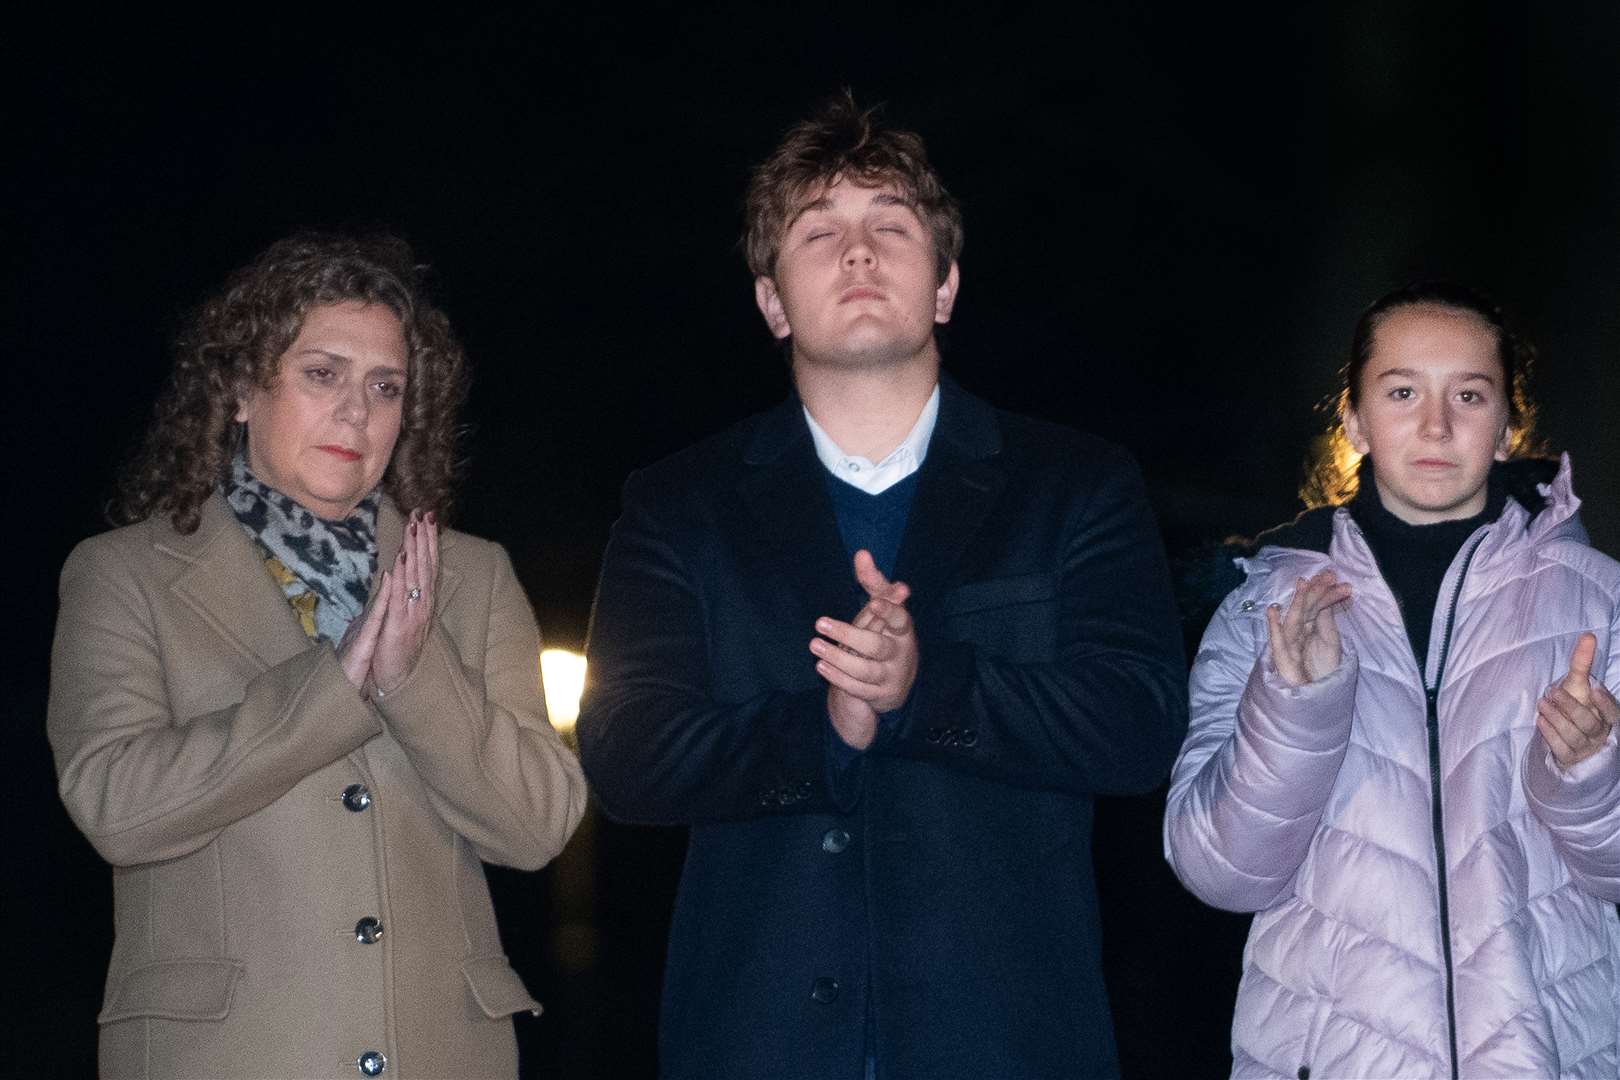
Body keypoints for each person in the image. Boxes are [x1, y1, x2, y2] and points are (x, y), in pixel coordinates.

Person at [576, 93, 1187, 1079]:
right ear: (772, 300)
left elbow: (1140, 722)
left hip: (1008, 1043)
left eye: (890, 228)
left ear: (944, 286)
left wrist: (926, 688)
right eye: (819, 233)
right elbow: (624, 753)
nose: (858, 254)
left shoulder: (1075, 484)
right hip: (756, 1041)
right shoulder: (680, 504)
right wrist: (825, 726)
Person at [48, 232, 586, 1079]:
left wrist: (417, 678)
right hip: (225, 1056)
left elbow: (536, 827)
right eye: (321, 373)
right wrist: (334, 689)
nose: (355, 411)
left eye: (385, 387)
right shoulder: (122, 574)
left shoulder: (469, 576)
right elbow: (117, 805)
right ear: (237, 388)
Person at [1165, 282, 1620, 1079]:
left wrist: (1587, 774)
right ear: (1353, 419)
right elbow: (1219, 871)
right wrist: (1295, 711)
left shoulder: (1598, 600)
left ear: (1508, 426)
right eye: (1402, 391)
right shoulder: (1265, 605)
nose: (1436, 425)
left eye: (1469, 395)